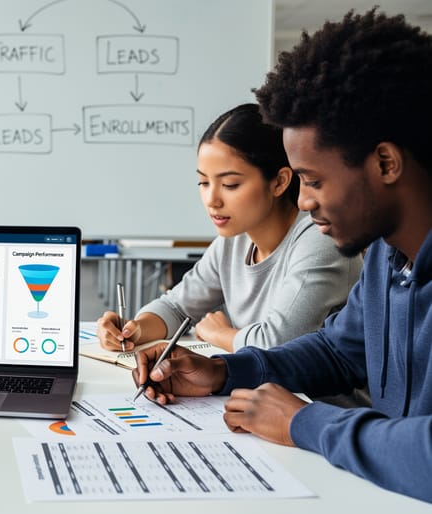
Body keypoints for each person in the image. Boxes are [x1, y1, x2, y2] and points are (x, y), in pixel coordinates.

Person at [132, 9, 432, 503]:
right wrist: (226, 373)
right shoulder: (385, 253)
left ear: (385, 163)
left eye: (313, 180)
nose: (306, 202)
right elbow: (339, 350)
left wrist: (304, 422)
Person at [98, 103, 361, 353]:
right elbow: (177, 307)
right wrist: (135, 330)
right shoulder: (234, 240)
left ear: (280, 182)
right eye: (203, 183)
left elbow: (277, 343)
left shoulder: (320, 240)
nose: (212, 200)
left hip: (309, 400)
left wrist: (221, 334)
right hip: (253, 393)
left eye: (230, 184)